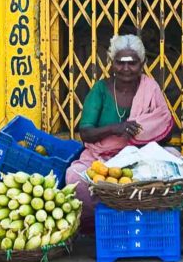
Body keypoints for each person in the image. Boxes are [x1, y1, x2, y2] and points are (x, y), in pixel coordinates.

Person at [64, 34, 175, 231]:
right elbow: (86, 133)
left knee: (174, 158)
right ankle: (103, 222)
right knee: (74, 176)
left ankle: (148, 223)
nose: (125, 69)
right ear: (111, 63)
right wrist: (116, 128)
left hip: (139, 159)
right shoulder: (100, 89)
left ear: (142, 64)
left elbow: (167, 133)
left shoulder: (150, 88)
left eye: (132, 63)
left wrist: (142, 133)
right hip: (102, 159)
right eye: (120, 63)